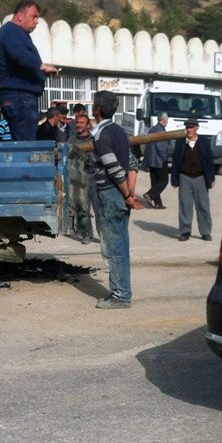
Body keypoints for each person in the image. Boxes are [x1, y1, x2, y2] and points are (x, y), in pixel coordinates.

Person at [89, 90, 142, 309]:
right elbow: (132, 163)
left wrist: (127, 194)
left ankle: (120, 296)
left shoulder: (101, 134)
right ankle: (122, 291)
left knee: (113, 247)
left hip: (111, 195)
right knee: (121, 244)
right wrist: (129, 192)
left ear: (97, 110)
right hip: (119, 195)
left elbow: (113, 168)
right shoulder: (119, 131)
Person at [0, 0, 60, 142]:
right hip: (20, 97)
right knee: (26, 146)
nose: (36, 21)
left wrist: (42, 71)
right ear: (20, 16)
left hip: (19, 97)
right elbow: (19, 54)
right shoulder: (12, 32)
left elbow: (20, 60)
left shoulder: (15, 34)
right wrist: (41, 66)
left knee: (23, 142)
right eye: (34, 16)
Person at [169, 117, 215, 241]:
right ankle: (185, 231)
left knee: (203, 206)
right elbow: (175, 161)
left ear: (196, 128)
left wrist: (211, 178)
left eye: (191, 127)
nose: (188, 129)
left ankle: (205, 232)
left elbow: (209, 161)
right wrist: (174, 178)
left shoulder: (204, 142)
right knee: (185, 205)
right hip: (185, 176)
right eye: (187, 127)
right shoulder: (181, 142)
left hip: (200, 176)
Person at [67, 110, 97, 242]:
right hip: (76, 178)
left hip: (92, 178)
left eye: (81, 123)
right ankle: (83, 232)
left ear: (88, 125)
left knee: (92, 209)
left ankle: (94, 235)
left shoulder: (94, 141)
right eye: (77, 123)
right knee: (79, 206)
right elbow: (67, 157)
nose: (78, 125)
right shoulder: (71, 140)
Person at [141, 112, 171, 209]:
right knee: (164, 180)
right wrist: (164, 158)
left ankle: (158, 203)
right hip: (159, 160)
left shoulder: (152, 129)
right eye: (167, 120)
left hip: (151, 160)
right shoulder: (161, 131)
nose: (168, 121)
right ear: (164, 120)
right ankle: (150, 195)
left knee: (155, 181)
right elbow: (161, 147)